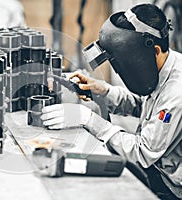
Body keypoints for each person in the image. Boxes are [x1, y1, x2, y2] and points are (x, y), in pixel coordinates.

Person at [41, 4, 182, 200]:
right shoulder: (165, 65)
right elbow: (141, 105)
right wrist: (102, 90)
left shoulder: (176, 90)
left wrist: (90, 120)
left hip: (170, 189)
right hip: (156, 171)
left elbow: (143, 152)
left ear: (155, 50)